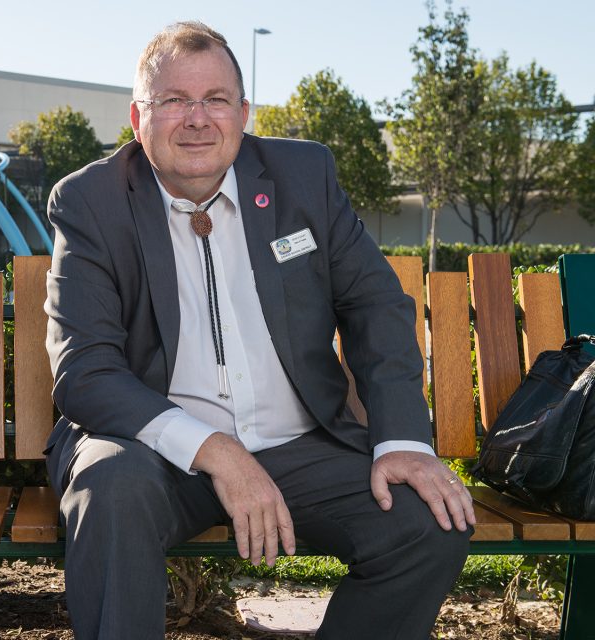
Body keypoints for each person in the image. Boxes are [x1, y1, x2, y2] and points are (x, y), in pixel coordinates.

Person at [43, 21, 475, 640]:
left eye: (215, 99)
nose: (197, 119)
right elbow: (85, 372)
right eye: (173, 101)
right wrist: (217, 452)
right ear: (138, 119)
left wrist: (402, 440)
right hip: (155, 454)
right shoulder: (91, 201)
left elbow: (376, 305)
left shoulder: (303, 176)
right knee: (108, 489)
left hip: (298, 444)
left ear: (243, 114)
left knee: (428, 523)